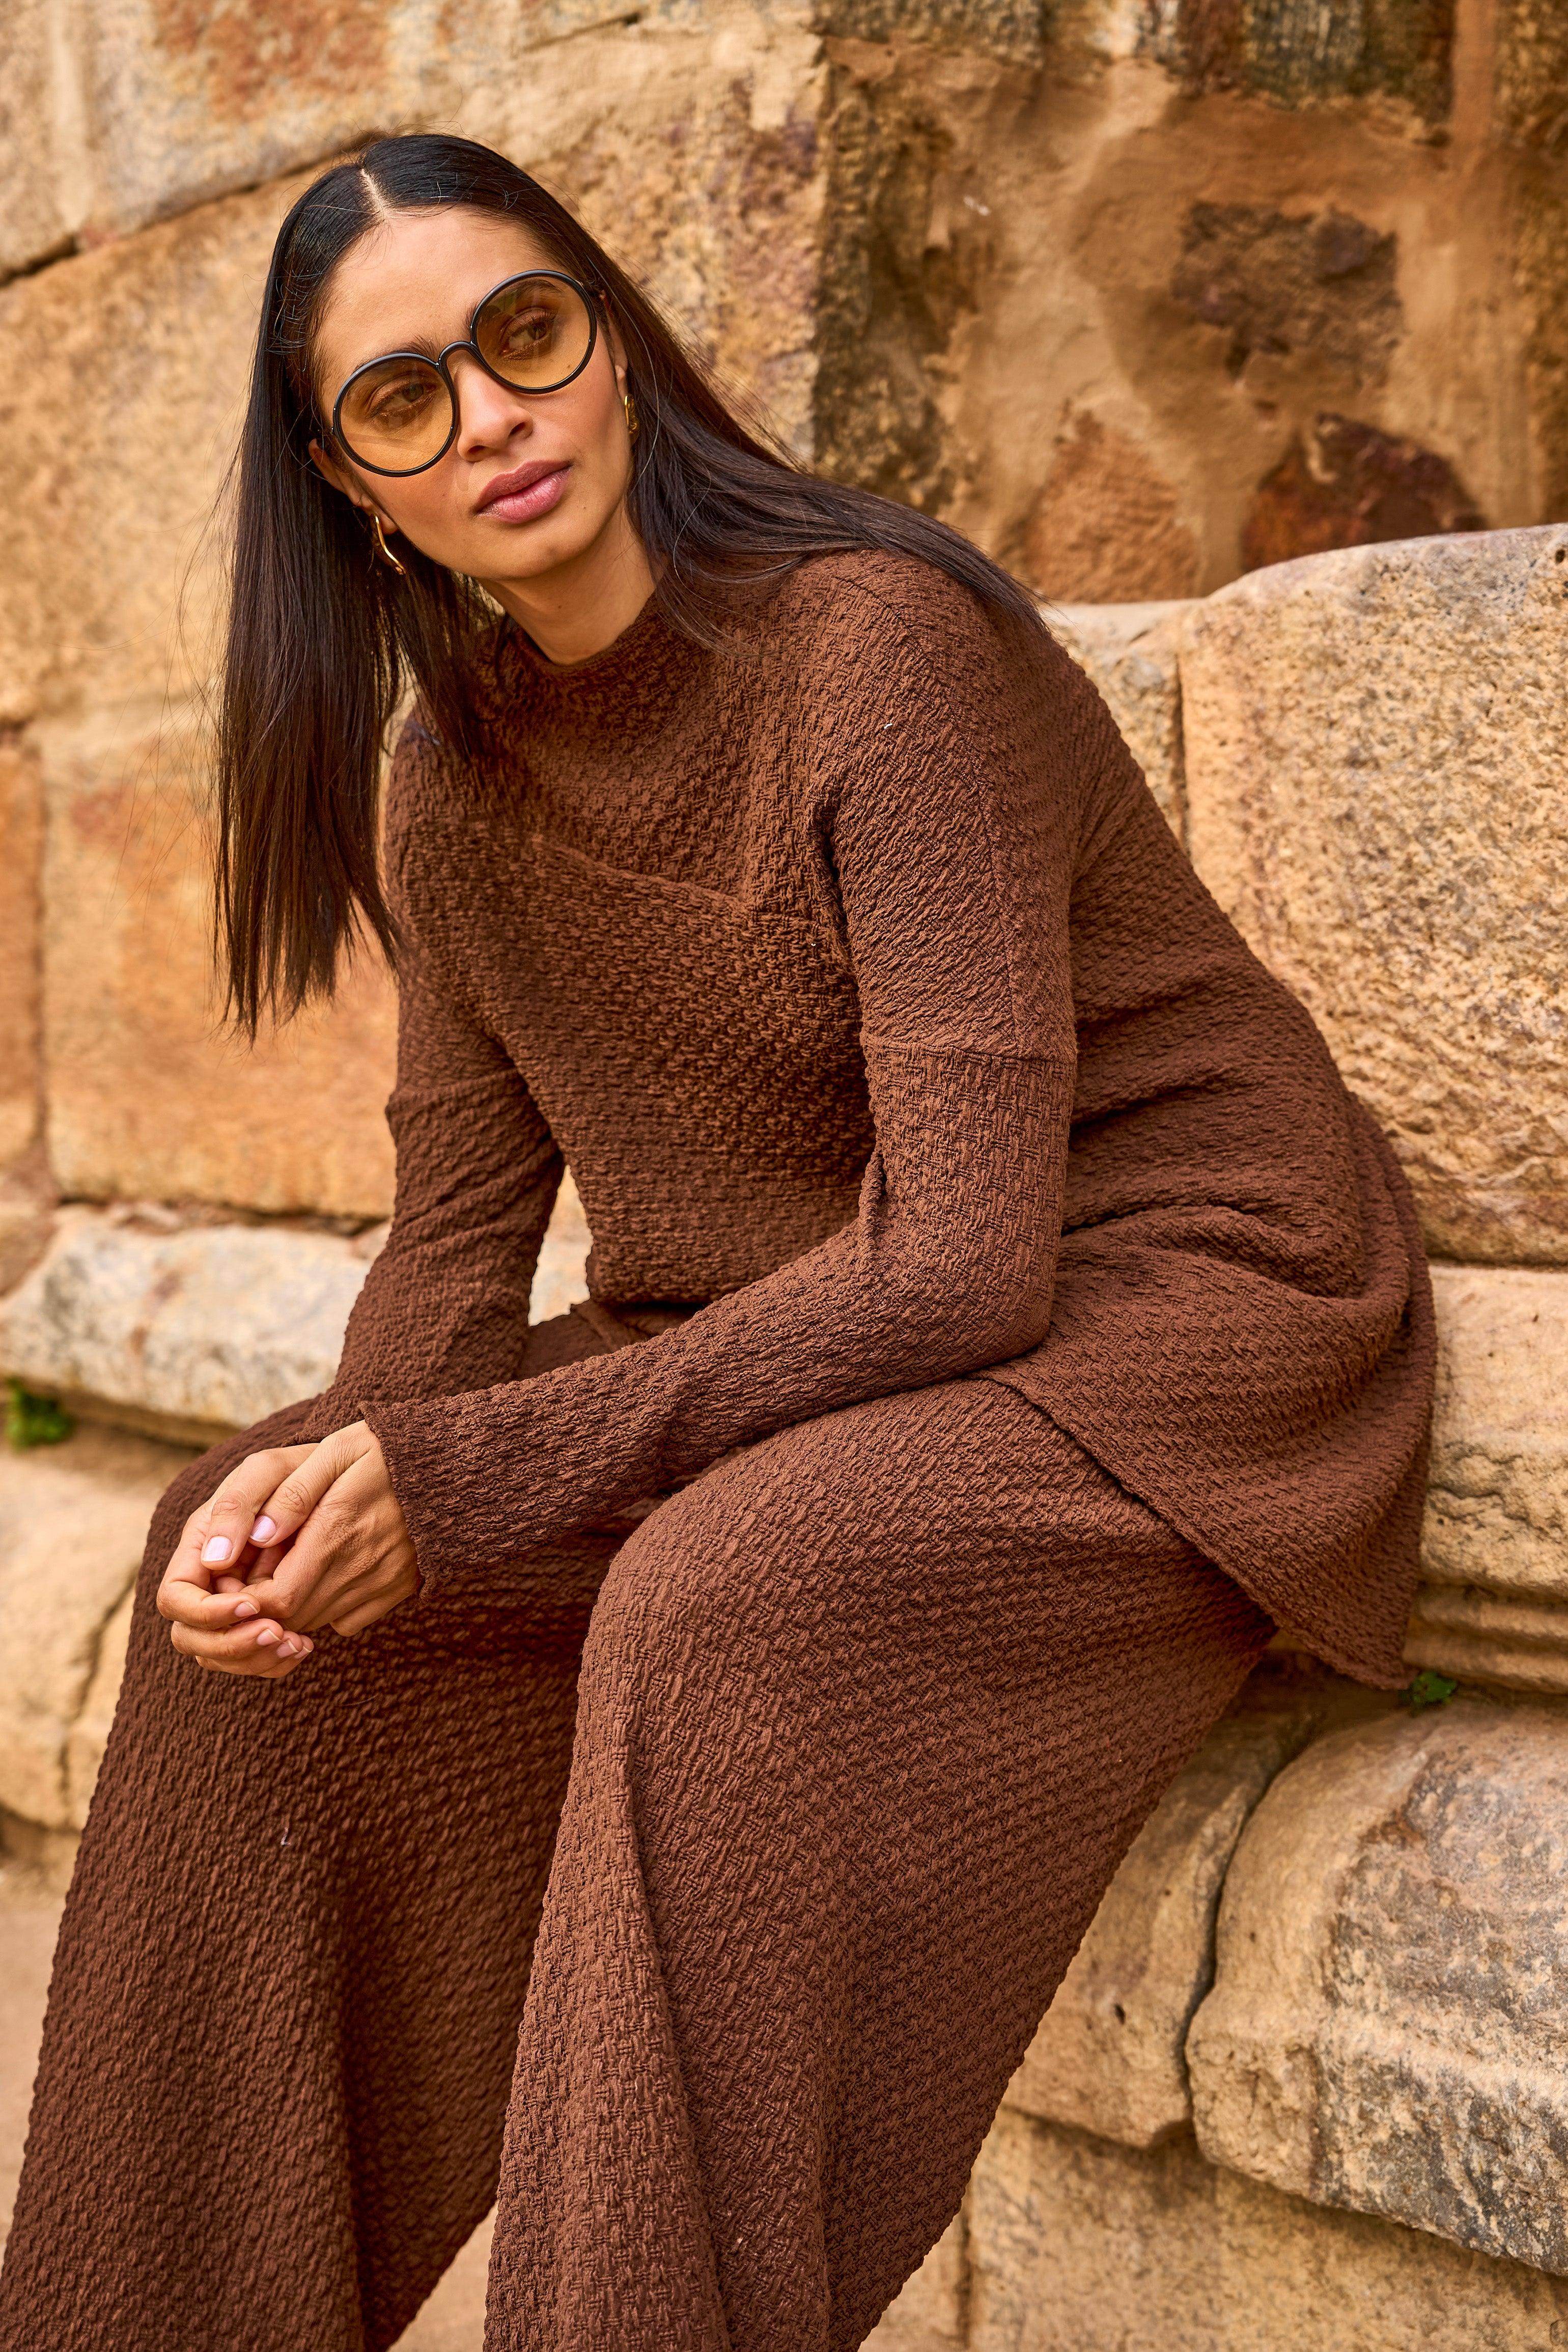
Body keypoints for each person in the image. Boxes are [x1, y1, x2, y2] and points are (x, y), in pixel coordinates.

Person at [0, 132, 1433, 2352]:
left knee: (713, 1598)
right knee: (247, 1575)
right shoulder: (449, 781)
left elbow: (963, 1263)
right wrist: (320, 1510)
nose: (492, 417)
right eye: (405, 399)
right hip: (814, 1344)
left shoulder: (873, 648)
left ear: (612, 337)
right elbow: (453, 1254)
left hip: (1169, 1315)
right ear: (349, 483)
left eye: (524, 333)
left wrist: (465, 1478)